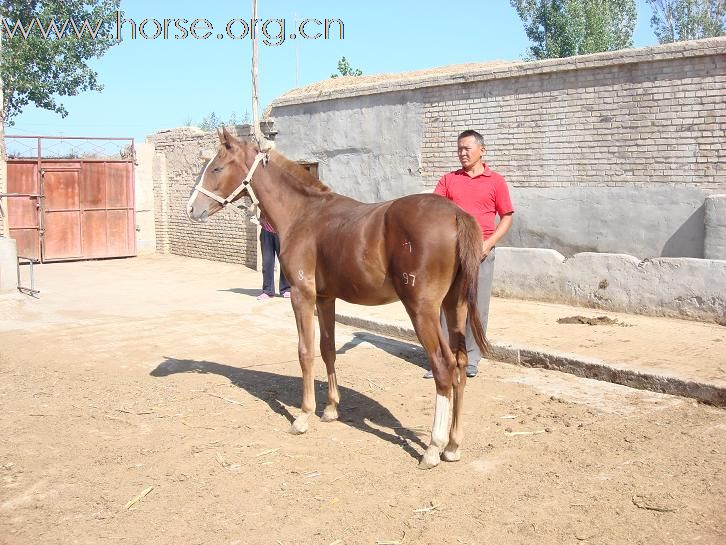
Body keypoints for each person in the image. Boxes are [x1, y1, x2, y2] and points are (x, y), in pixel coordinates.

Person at [424, 129, 514, 378]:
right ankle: (444, 357)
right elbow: (434, 211)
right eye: (459, 149)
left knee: (475, 305)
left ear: (481, 150)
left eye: (467, 149)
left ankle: (472, 358)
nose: (462, 153)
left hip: (481, 252)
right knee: (445, 305)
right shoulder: (448, 180)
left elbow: (507, 217)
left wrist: (489, 243)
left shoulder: (496, 181)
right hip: (451, 254)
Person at [257, 213, 291, 300]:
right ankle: (268, 291)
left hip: (282, 233)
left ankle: (286, 289)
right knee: (267, 263)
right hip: (266, 232)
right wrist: (261, 218)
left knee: (284, 262)